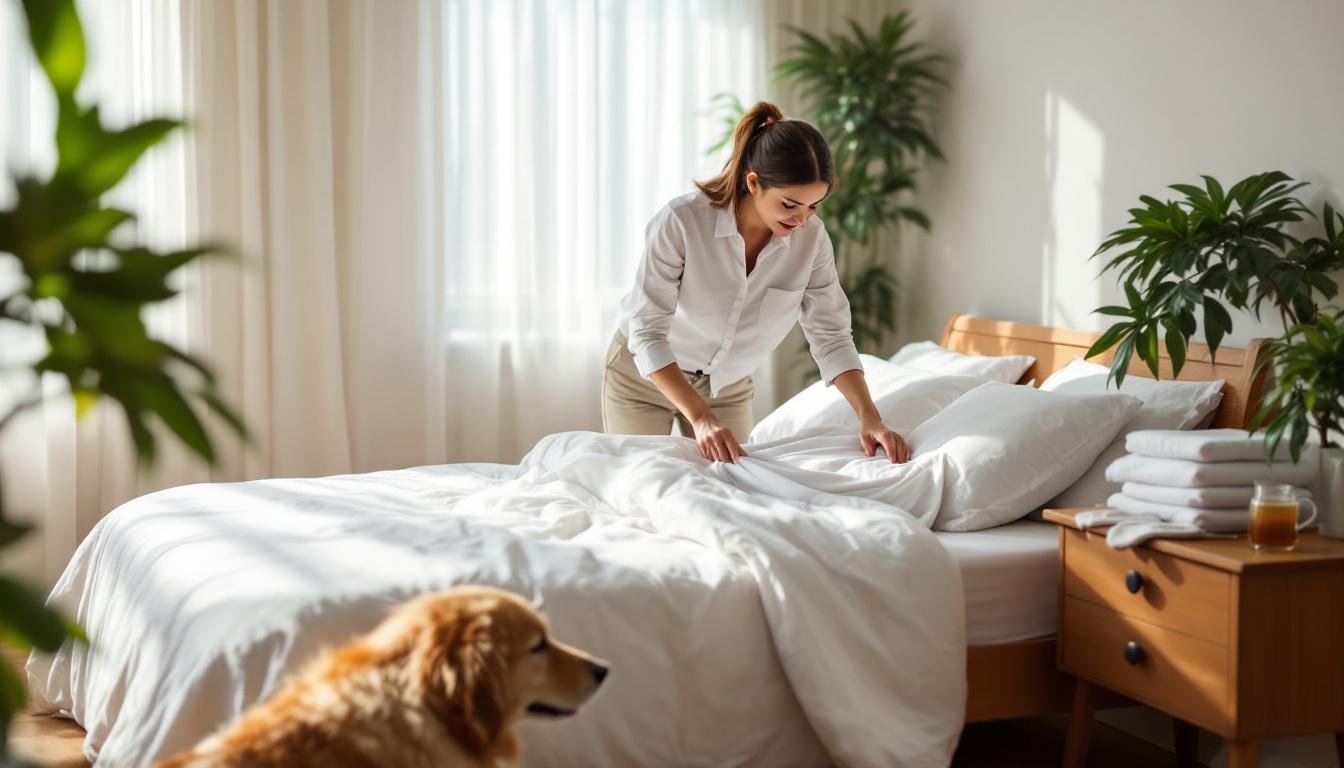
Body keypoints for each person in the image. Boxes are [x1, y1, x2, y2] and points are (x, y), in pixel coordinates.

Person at [603, 100, 909, 465]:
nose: (802, 219)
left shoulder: (812, 240)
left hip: (726, 386)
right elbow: (647, 332)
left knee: (732, 485)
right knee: (641, 479)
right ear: (753, 183)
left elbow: (831, 335)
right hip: (646, 378)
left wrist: (869, 417)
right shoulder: (682, 222)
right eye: (790, 204)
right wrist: (700, 418)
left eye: (813, 206)